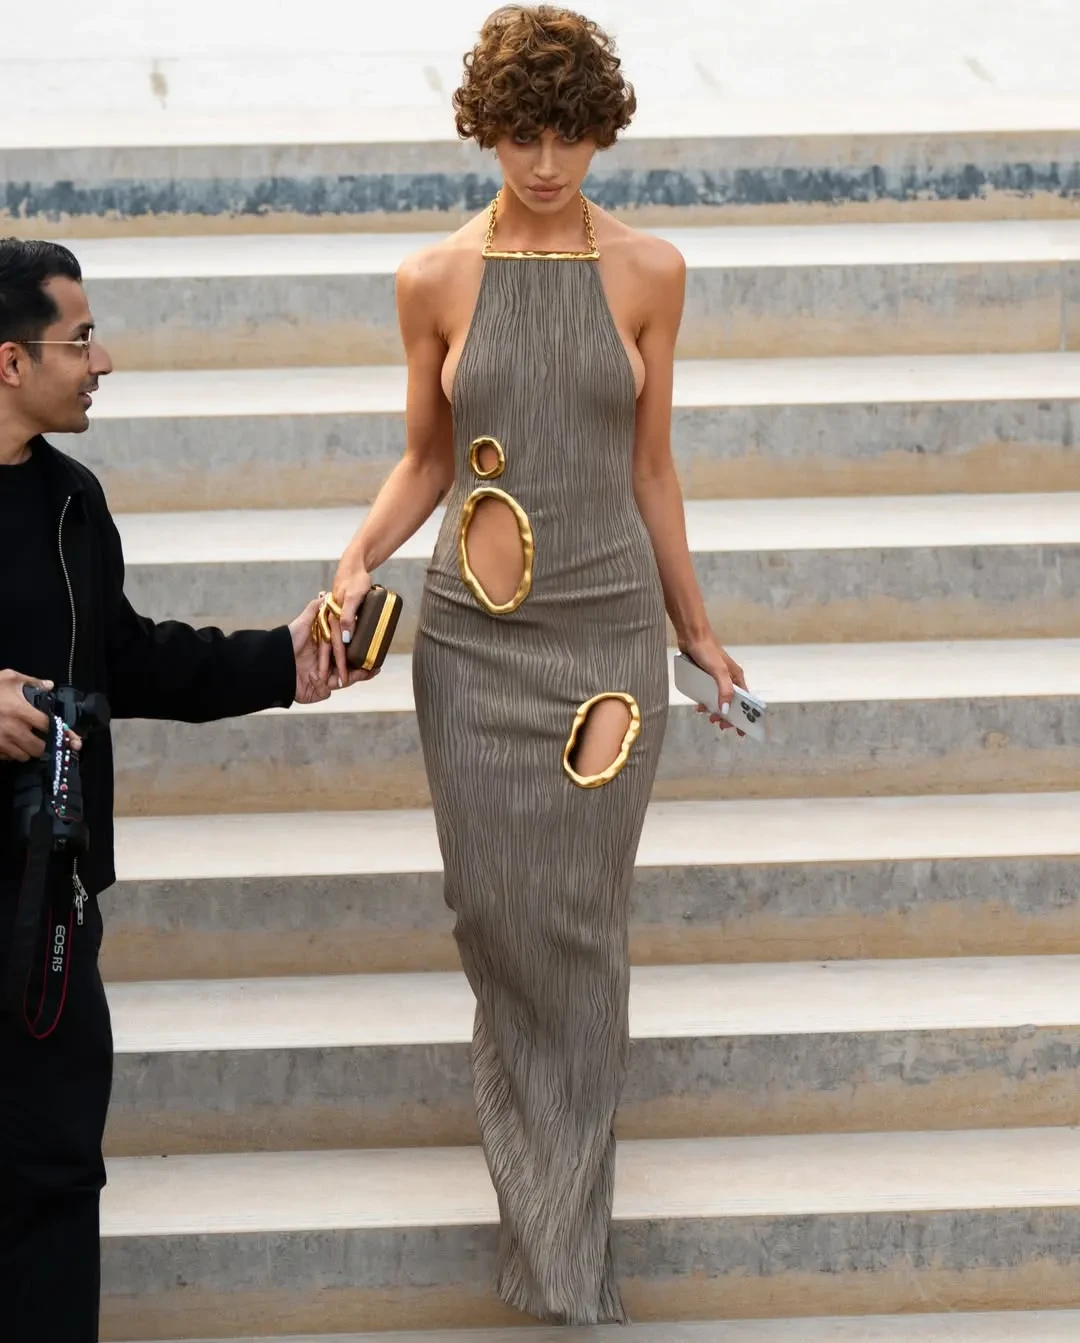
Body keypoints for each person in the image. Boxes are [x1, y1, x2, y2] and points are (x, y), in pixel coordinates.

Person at [319, 4, 747, 1324]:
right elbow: (427, 458)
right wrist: (355, 558)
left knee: (578, 922)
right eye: (521, 135)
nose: (547, 162)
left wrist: (694, 627)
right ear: (485, 131)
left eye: (569, 135)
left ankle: (562, 1249)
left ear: (601, 133)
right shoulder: (434, 279)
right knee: (494, 913)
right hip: (473, 646)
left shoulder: (653, 272)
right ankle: (546, 1206)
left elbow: (652, 468)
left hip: (607, 639)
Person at [0, 238, 368, 1343]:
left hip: (47, 907)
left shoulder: (70, 502)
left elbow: (130, 658)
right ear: (11, 361)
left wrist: (282, 660)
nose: (103, 360)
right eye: (80, 341)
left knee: (56, 1174)